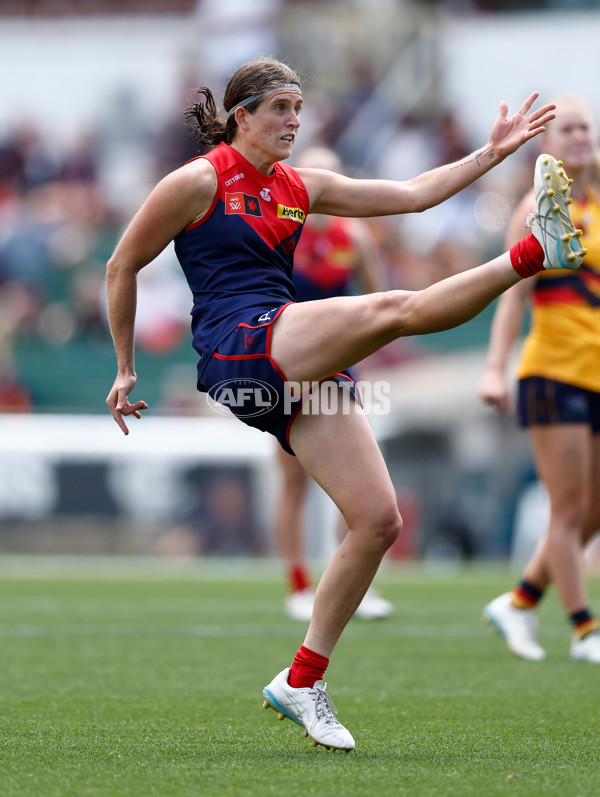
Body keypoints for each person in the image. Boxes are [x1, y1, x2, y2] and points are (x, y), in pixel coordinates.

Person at [105, 57, 583, 751]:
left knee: (378, 521)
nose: (294, 121)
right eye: (280, 108)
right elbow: (121, 264)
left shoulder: (302, 185)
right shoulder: (198, 180)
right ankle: (536, 250)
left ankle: (302, 679)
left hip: (287, 354)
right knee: (393, 309)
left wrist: (492, 153)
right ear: (241, 116)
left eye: (299, 108)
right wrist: (125, 367)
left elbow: (414, 195)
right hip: (238, 344)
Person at [480, 97, 600, 664]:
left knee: (591, 510)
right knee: (568, 509)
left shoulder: (596, 203)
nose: (580, 137)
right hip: (554, 371)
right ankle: (584, 630)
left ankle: (522, 601)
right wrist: (494, 368)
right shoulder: (540, 204)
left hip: (594, 374)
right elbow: (512, 293)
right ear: (546, 146)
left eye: (585, 128)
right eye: (567, 130)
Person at [275, 145, 393, 622]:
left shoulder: (355, 236)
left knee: (355, 485)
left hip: (339, 367)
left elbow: (379, 298)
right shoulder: (281, 231)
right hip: (288, 365)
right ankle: (297, 586)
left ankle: (350, 586)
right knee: (293, 481)